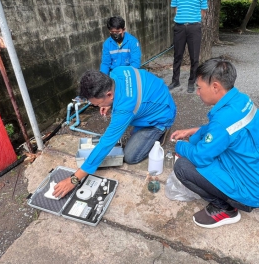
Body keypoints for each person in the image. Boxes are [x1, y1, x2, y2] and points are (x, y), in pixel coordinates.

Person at [170, 58, 259, 228]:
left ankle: (225, 209)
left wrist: (179, 146)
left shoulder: (223, 122)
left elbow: (200, 156)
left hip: (253, 192)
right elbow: (220, 131)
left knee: (183, 167)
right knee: (201, 145)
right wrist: (192, 132)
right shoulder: (240, 100)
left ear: (215, 86)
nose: (197, 92)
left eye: (199, 88)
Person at [53, 66, 176, 198]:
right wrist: (108, 104)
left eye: (98, 103)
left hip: (162, 115)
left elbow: (106, 143)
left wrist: (74, 179)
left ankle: (161, 131)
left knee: (130, 157)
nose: (97, 106)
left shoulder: (124, 108)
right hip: (155, 96)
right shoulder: (116, 73)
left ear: (109, 95)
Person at [168, 0, 208, 93]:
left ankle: (192, 81)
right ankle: (175, 81)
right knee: (177, 55)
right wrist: (183, 21)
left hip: (194, 28)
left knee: (194, 57)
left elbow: (203, 11)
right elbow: (176, 9)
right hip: (179, 27)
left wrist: (192, 21)